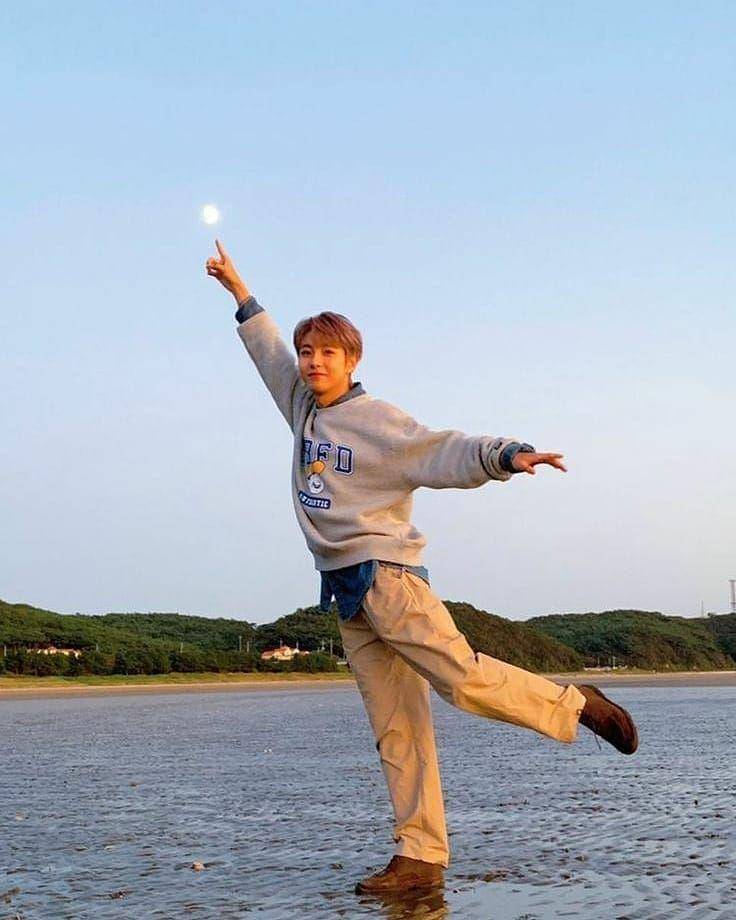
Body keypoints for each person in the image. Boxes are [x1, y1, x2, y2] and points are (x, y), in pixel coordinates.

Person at [206, 239, 639, 895]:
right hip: (346, 594)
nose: (313, 361)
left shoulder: (376, 419)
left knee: (461, 679)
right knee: (397, 731)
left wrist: (506, 455)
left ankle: (577, 704)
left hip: (390, 578)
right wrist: (240, 291)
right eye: (307, 351)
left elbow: (441, 450)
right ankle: (420, 858)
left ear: (352, 361)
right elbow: (267, 353)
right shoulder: (301, 407)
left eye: (327, 352)